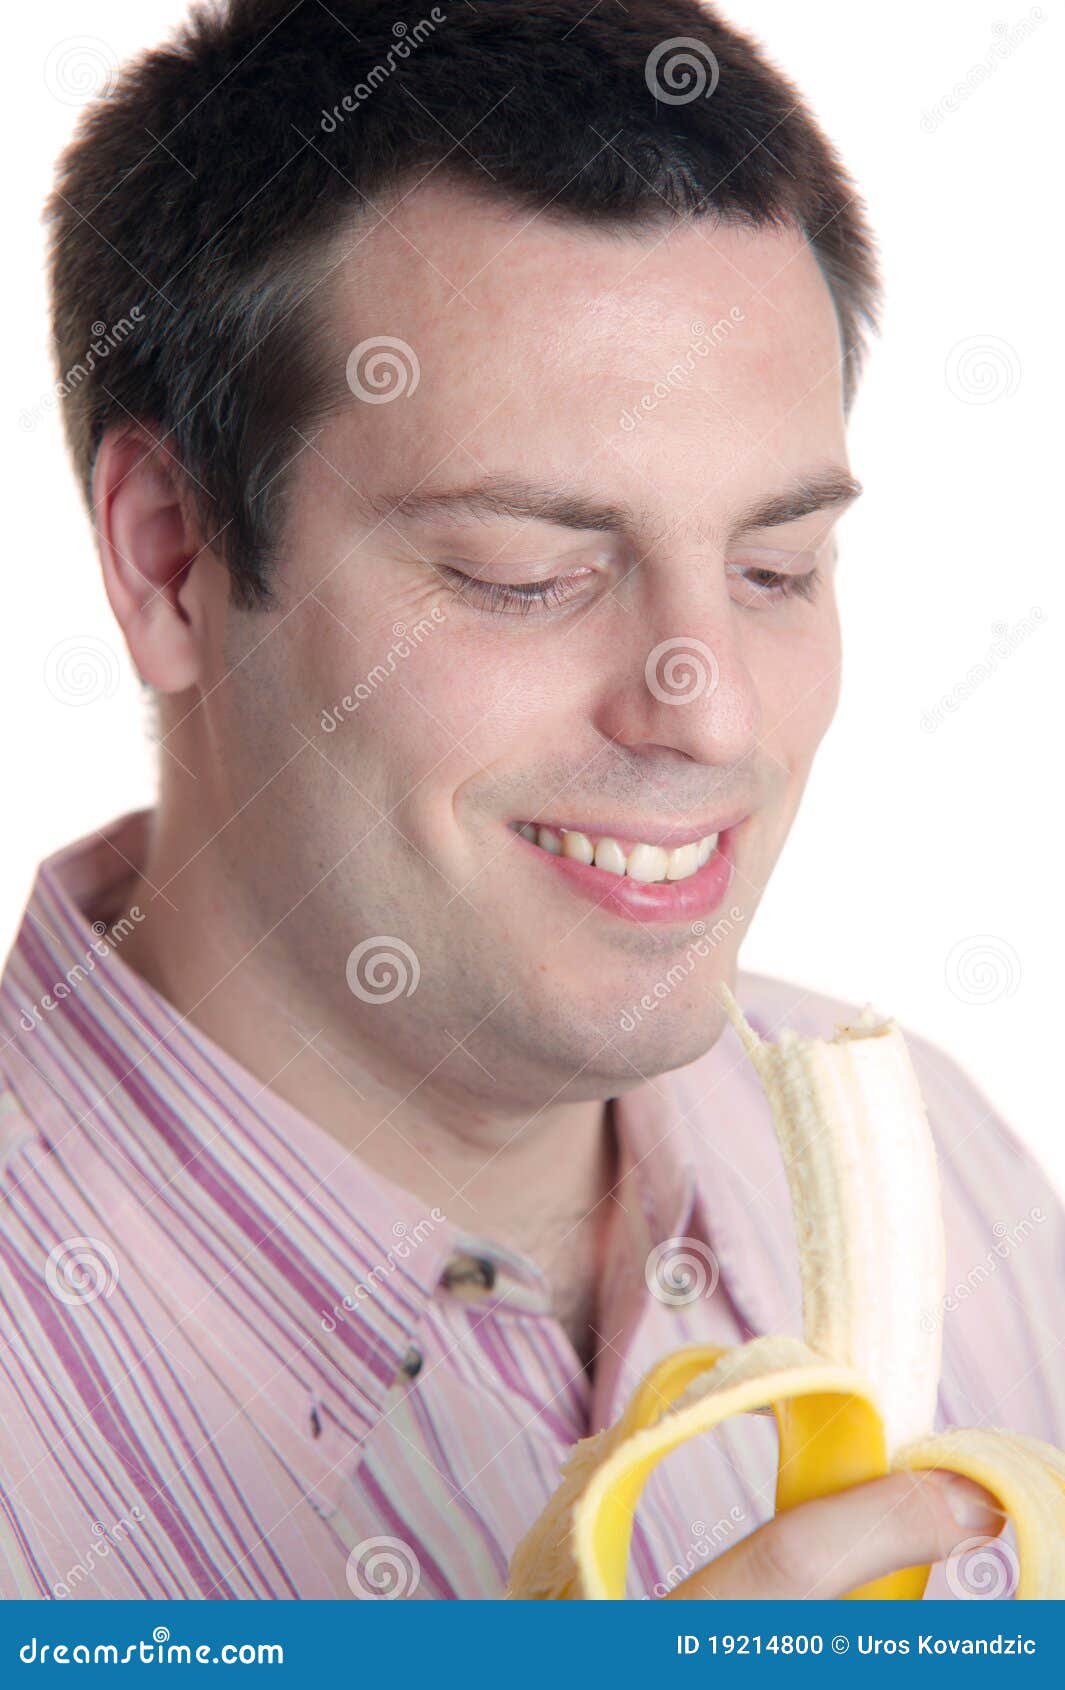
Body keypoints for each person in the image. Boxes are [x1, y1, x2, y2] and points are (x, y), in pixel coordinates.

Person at [1, 0, 1058, 1600]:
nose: (705, 710)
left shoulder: (970, 1180)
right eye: (527, 574)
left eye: (776, 567)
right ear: (171, 558)